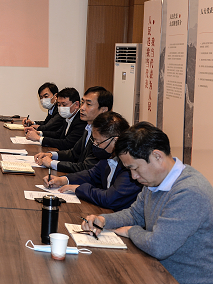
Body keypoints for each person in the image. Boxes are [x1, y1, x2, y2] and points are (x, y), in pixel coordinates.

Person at [82, 122, 213, 284]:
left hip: (180, 278)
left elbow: (159, 246)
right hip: (154, 269)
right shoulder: (155, 180)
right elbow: (135, 214)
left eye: (135, 168)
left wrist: (131, 231)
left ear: (157, 156)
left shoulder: (190, 191)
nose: (133, 176)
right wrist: (103, 220)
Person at [43, 111, 141, 211]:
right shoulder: (108, 156)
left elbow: (110, 199)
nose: (95, 145)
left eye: (98, 142)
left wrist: (78, 189)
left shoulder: (130, 165)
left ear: (115, 141)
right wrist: (62, 180)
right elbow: (91, 175)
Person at [34, 86, 113, 173]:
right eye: (82, 102)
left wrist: (52, 163)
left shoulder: (105, 135)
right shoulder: (89, 127)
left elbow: (86, 167)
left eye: (88, 104)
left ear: (104, 110)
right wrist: (51, 154)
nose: (82, 108)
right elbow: (73, 153)